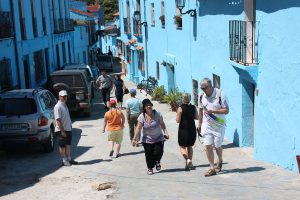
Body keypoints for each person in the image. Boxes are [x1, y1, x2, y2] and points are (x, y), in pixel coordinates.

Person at [197, 78, 229, 177]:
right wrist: (199, 124)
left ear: (210, 86)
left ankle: (220, 160)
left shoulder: (220, 94)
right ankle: (211, 168)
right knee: (207, 146)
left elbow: (226, 110)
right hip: (207, 125)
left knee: (217, 146)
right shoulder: (201, 95)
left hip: (219, 124)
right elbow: (201, 110)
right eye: (201, 88)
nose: (203, 90)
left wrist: (214, 111)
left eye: (205, 88)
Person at [132, 99, 169, 175]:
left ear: (152, 105)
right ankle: (150, 168)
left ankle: (157, 161)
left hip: (158, 137)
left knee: (159, 152)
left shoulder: (158, 114)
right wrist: (134, 139)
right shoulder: (141, 117)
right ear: (144, 107)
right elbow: (138, 128)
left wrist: (166, 132)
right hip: (147, 139)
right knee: (149, 155)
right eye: (146, 105)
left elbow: (162, 124)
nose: (149, 106)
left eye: (150, 105)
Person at [54, 90, 78, 166]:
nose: (64, 97)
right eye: (63, 96)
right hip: (62, 130)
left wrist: (70, 126)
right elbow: (58, 120)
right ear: (59, 96)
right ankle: (64, 161)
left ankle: (69, 159)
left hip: (68, 129)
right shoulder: (58, 106)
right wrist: (62, 131)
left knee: (68, 145)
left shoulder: (64, 104)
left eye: (65, 96)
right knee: (62, 146)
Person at [176, 93, 198, 170]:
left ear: (182, 99)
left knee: (182, 146)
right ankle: (190, 163)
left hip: (183, 129)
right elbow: (197, 117)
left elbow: (177, 121)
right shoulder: (193, 107)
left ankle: (187, 159)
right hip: (192, 128)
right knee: (189, 146)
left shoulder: (180, 108)